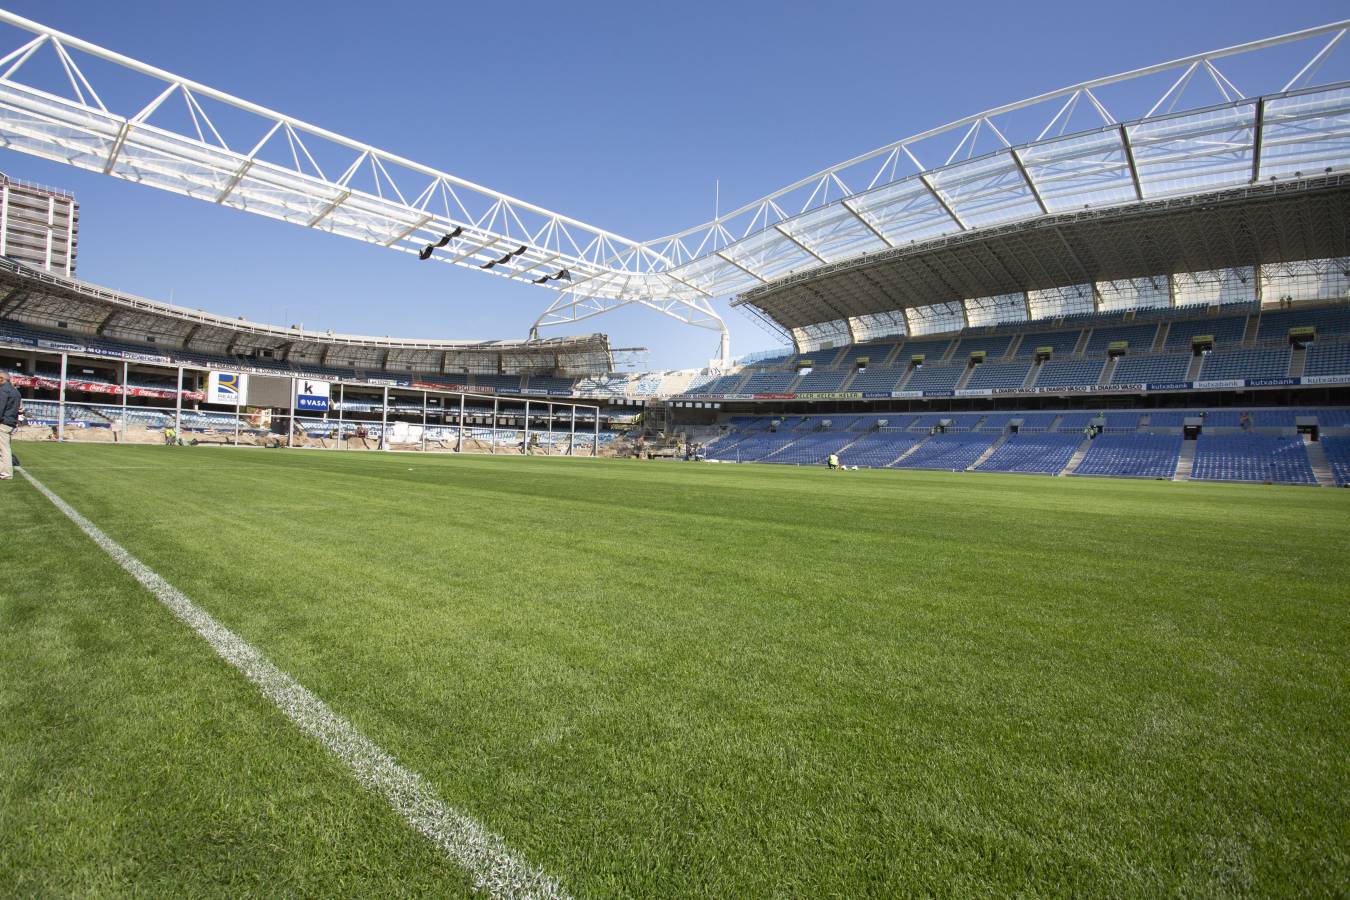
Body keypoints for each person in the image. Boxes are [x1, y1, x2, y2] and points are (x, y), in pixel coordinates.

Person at [0, 370, 20, 481]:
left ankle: (6, 474)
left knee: (4, 449)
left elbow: (0, 408)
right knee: (3, 448)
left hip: (3, 423)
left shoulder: (3, 390)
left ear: (1, 379)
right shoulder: (15, 391)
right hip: (10, 423)